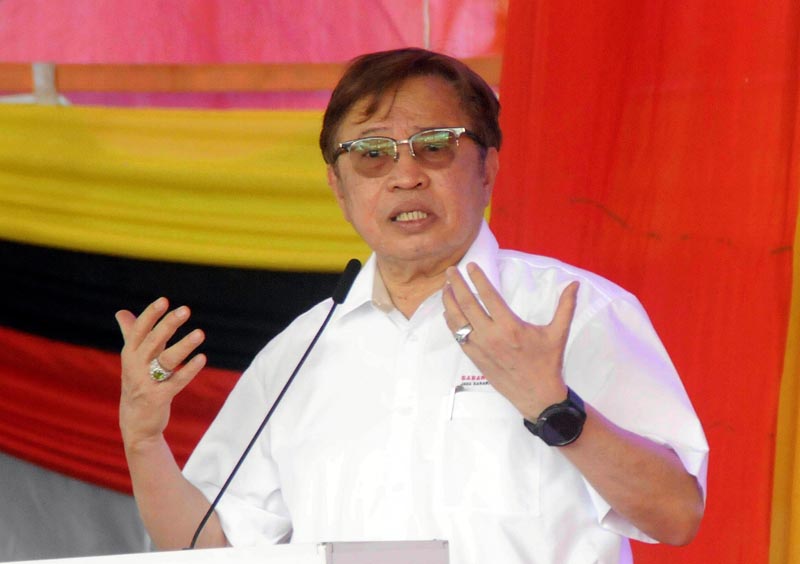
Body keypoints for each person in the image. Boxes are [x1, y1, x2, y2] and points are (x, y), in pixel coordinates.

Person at [116, 48, 708, 564]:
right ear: (339, 187)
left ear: (488, 168)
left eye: (434, 146)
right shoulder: (300, 352)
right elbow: (212, 548)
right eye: (371, 154)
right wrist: (143, 442)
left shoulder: (570, 312)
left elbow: (677, 515)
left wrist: (554, 407)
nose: (405, 176)